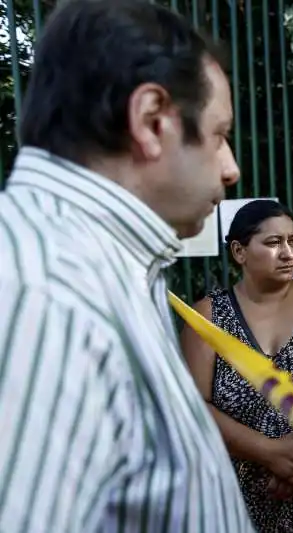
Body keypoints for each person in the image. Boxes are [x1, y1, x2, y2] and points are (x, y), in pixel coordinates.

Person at [0, 0, 253, 531]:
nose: (231, 168)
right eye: (218, 134)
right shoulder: (48, 298)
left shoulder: (89, 270)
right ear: (151, 120)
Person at [180, 199, 293, 532]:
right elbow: (194, 406)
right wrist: (270, 453)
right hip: (238, 497)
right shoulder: (208, 316)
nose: (288, 252)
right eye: (273, 242)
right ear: (239, 251)